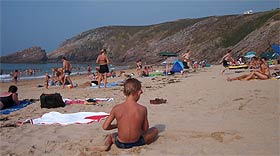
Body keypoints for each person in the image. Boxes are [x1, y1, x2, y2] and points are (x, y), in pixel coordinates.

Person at [92, 78, 158, 151]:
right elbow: (145, 129)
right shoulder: (143, 109)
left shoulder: (116, 108)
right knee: (155, 130)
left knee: (111, 136)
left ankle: (106, 146)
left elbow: (105, 127)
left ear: (124, 93)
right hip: (138, 142)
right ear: (139, 92)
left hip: (120, 143)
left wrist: (117, 125)